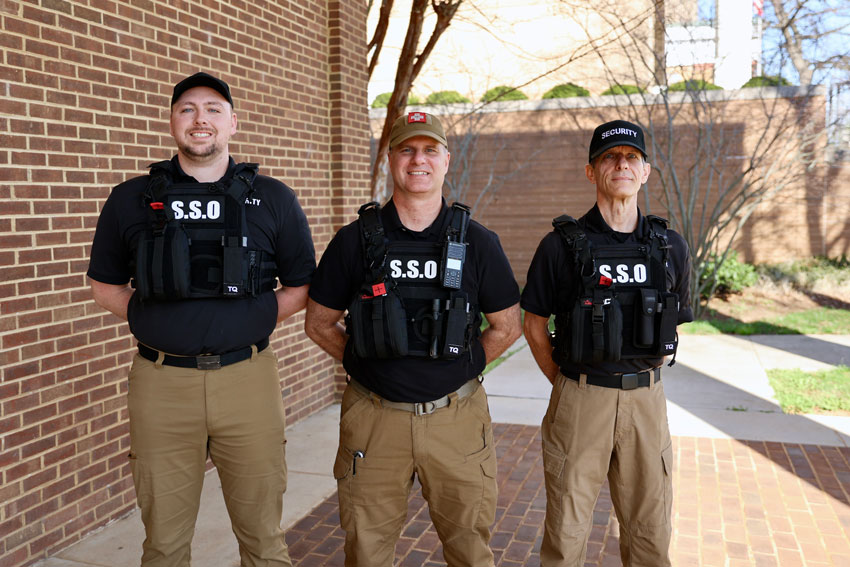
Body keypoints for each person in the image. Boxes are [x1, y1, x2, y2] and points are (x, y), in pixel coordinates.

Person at [87, 72, 315, 567]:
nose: (200, 119)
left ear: (232, 122)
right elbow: (104, 284)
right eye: (187, 108)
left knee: (263, 539)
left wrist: (252, 316)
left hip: (248, 381)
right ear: (172, 121)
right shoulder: (131, 198)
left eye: (213, 109)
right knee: (164, 544)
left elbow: (301, 287)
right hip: (161, 384)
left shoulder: (273, 198)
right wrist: (152, 318)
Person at [304, 111, 522, 567]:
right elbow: (319, 322)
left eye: (428, 150)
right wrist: (365, 361)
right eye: (406, 149)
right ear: (390, 159)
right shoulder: (353, 241)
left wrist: (461, 369)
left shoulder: (478, 242)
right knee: (367, 551)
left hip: (456, 420)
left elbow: (507, 326)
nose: (417, 159)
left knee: (470, 550)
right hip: (374, 419)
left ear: (446, 160)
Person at [521, 119, 693, 567]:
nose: (621, 164)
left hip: (646, 402)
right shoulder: (559, 247)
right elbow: (534, 325)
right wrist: (567, 383)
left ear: (646, 171)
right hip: (581, 399)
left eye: (631, 157)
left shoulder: (670, 246)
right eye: (609, 157)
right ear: (591, 171)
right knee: (566, 532)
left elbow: (677, 319)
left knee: (650, 532)